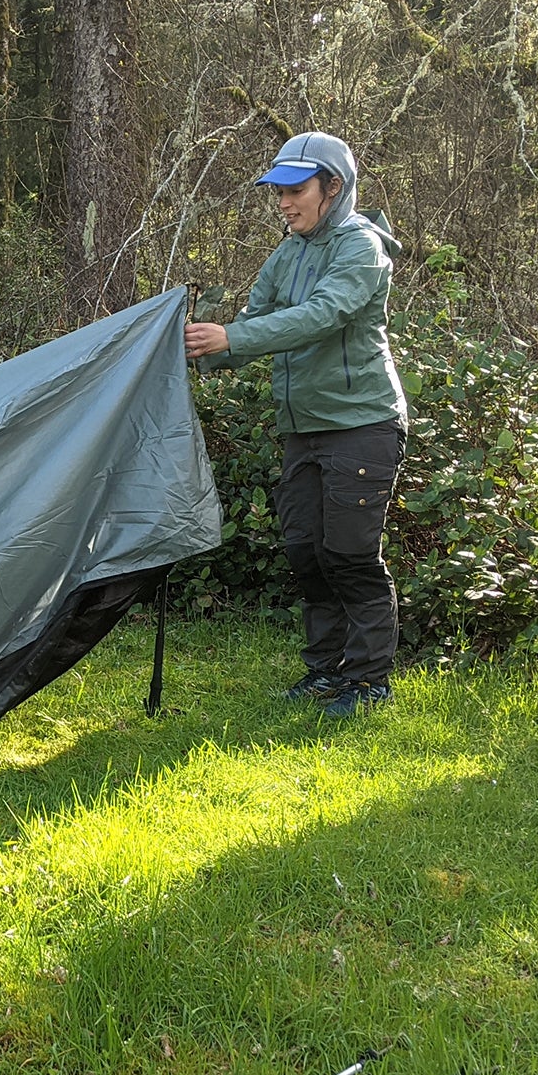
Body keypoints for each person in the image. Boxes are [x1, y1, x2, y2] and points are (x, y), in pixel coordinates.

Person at [183, 132, 407, 717]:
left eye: (296, 190)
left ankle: (368, 680)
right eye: (278, 192)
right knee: (306, 550)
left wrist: (234, 337)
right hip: (302, 428)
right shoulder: (286, 254)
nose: (284, 202)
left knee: (350, 553)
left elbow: (320, 315)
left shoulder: (361, 248)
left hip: (363, 424)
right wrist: (198, 348)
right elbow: (255, 322)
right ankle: (325, 670)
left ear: (334, 187)